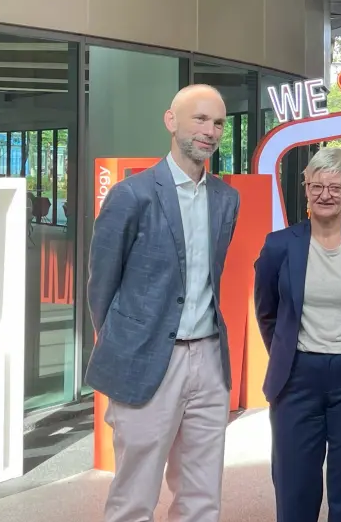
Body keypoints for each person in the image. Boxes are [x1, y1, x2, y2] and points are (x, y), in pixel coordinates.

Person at [86, 84, 240, 522]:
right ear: (171, 122)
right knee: (135, 497)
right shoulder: (131, 195)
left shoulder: (226, 199)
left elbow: (210, 275)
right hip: (148, 358)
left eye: (218, 123)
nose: (209, 131)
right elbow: (102, 287)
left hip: (209, 360)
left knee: (202, 495)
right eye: (200, 119)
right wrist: (130, 343)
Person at [254, 147, 341, 522]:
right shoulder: (279, 245)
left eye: (336, 187)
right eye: (317, 186)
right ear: (306, 189)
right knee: (293, 481)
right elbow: (267, 311)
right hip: (296, 377)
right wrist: (288, 353)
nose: (325, 195)